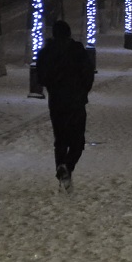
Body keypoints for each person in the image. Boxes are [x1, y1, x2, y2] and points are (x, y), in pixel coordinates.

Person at [36, 20, 95, 193]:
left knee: (60, 140)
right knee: (78, 142)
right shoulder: (77, 50)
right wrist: (83, 90)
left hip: (56, 102)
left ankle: (63, 173)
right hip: (76, 101)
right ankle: (67, 168)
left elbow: (41, 77)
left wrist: (54, 87)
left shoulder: (46, 52)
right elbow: (88, 73)